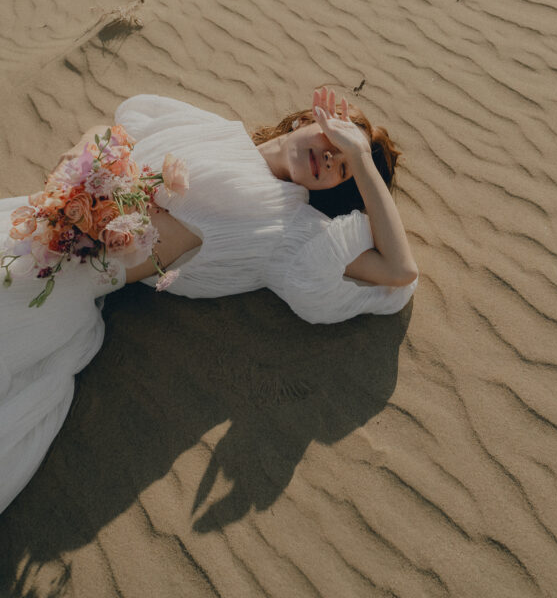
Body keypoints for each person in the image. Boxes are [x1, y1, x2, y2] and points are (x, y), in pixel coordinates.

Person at [0, 87, 418, 514]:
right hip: (28, 228)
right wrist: (73, 166)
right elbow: (113, 132)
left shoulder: (291, 229)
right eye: (335, 142)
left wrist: (364, 160)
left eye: (344, 167)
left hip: (55, 292)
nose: (332, 160)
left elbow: (399, 271)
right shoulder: (219, 131)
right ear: (307, 121)